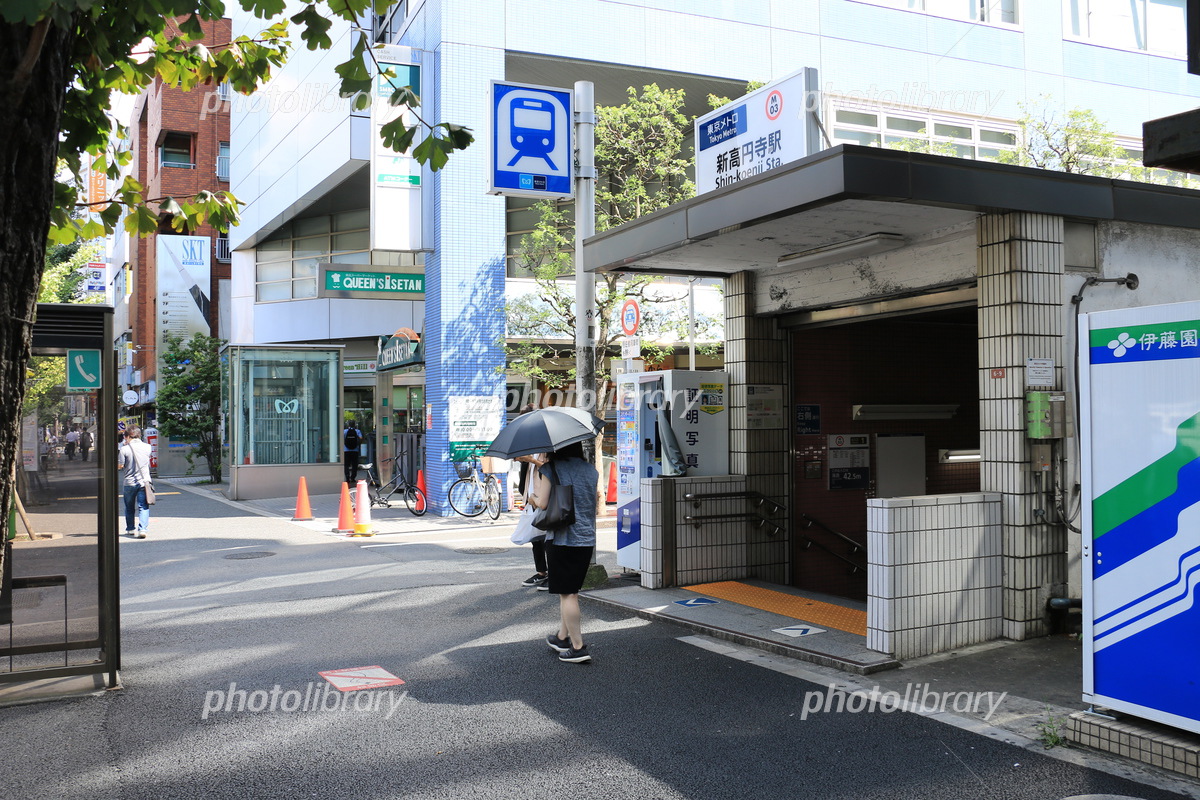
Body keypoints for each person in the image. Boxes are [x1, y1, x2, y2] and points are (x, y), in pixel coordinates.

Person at [529, 441, 598, 664]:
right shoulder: (591, 470)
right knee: (569, 591)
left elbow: (543, 503)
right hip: (586, 538)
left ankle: (578, 647)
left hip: (562, 538)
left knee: (569, 594)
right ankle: (562, 637)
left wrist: (531, 498)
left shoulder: (550, 469)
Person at [117, 426, 153, 538]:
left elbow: (120, 466)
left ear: (127, 436)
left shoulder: (124, 449)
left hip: (129, 482)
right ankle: (143, 530)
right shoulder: (148, 447)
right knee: (143, 506)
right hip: (144, 482)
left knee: (129, 507)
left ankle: (130, 529)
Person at [343, 420, 363, 484]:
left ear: (348, 425)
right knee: (354, 465)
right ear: (355, 425)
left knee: (346, 464)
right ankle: (353, 478)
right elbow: (361, 438)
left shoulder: (345, 431)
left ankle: (347, 477)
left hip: (346, 450)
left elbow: (342, 438)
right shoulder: (357, 431)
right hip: (355, 450)